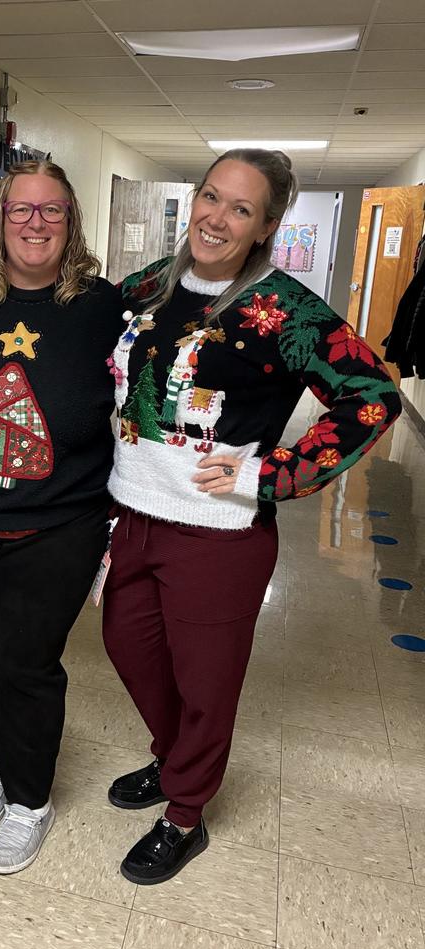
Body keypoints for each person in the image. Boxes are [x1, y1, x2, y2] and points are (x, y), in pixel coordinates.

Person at [103, 149, 401, 885]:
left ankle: (184, 813)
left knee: (205, 684)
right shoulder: (149, 285)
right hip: (132, 514)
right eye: (211, 196)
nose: (217, 217)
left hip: (219, 532)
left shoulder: (288, 310)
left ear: (266, 225)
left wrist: (273, 473)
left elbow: (372, 395)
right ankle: (172, 761)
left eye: (241, 208)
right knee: (128, 648)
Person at [0, 160, 126, 874]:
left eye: (52, 211)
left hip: (60, 521)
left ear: (72, 222)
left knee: (27, 662)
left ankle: (30, 799)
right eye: (21, 210)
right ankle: (8, 756)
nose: (35, 224)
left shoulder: (103, 306)